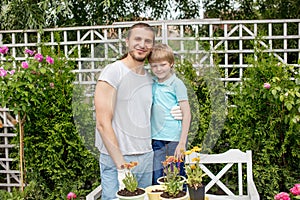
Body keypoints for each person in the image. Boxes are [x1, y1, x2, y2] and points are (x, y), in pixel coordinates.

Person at [94, 22, 182, 200]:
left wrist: (175, 112)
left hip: (146, 156)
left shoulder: (150, 80)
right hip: (118, 158)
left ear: (152, 46)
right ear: (127, 41)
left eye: (148, 41)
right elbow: (103, 123)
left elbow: (148, 115)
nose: (142, 45)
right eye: (138, 39)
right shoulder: (113, 72)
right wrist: (121, 166)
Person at [148, 43, 191, 185]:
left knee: (177, 178)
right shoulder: (152, 83)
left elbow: (187, 113)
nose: (158, 69)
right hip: (156, 139)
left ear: (171, 64)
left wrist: (182, 143)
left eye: (163, 64)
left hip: (174, 140)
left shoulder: (176, 84)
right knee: (157, 179)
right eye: (154, 65)